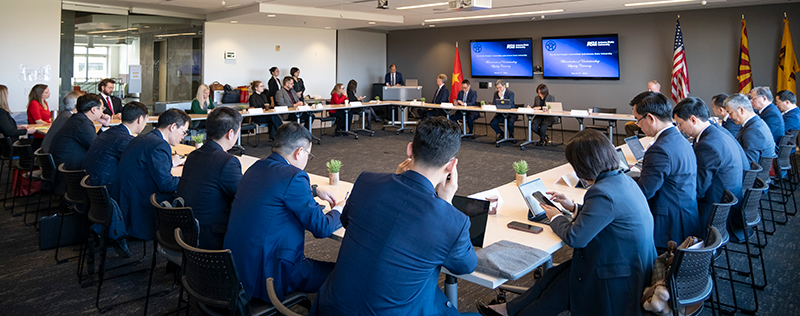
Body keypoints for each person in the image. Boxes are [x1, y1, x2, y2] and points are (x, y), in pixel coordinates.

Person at [476, 129, 656, 316]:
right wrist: (573, 207)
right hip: (631, 262)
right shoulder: (622, 180)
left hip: (618, 273)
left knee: (565, 281)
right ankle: (508, 309)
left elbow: (575, 238)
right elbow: (605, 216)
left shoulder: (602, 193)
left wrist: (555, 216)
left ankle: (513, 312)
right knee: (556, 276)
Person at [311, 117, 477, 316]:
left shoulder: (366, 182)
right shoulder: (452, 220)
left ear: (409, 149)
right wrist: (446, 203)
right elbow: (466, 266)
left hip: (330, 308)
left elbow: (346, 220)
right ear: (452, 166)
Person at [224, 122, 344, 303]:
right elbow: (322, 228)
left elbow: (273, 187)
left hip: (237, 266)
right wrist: (340, 209)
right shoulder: (294, 176)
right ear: (299, 152)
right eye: (309, 155)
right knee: (344, 274)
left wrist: (314, 190)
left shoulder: (255, 167)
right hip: (271, 272)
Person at [631, 91, 699, 249]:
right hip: (686, 214)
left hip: (669, 227)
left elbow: (644, 192)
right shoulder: (680, 138)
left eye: (637, 120)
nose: (638, 126)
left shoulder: (660, 149)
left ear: (650, 118)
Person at [112, 109, 189, 241]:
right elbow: (166, 184)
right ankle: (184, 242)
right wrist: (190, 181)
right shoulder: (160, 145)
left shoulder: (143, 138)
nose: (183, 137)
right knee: (190, 196)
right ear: (173, 127)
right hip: (139, 206)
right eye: (183, 132)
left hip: (125, 201)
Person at [672, 97, 747, 233]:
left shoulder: (707, 145)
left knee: (668, 204)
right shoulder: (716, 133)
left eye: (680, 124)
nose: (680, 129)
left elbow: (698, 190)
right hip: (728, 200)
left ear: (693, 120)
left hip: (714, 209)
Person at [177, 107, 242, 250]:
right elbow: (244, 196)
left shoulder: (194, 155)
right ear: (230, 133)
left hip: (187, 231)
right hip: (210, 237)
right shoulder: (227, 162)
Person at [83, 102, 149, 189]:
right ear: (140, 119)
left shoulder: (110, 131)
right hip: (106, 190)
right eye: (146, 120)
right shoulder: (125, 139)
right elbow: (142, 162)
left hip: (92, 186)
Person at [49, 93, 111, 171]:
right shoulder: (82, 124)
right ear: (93, 110)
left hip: (65, 166)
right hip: (70, 171)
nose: (103, 112)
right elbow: (97, 148)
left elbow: (95, 143)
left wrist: (104, 126)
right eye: (102, 108)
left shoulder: (78, 119)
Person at [725, 93, 776, 164]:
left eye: (730, 113)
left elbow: (749, 163)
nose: (729, 117)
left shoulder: (754, 130)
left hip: (754, 174)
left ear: (741, 110)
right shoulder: (754, 123)